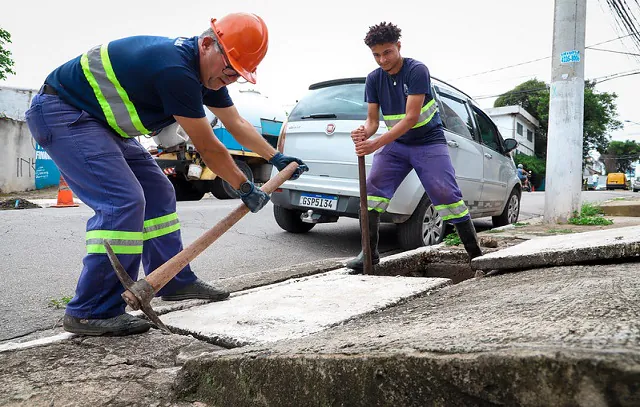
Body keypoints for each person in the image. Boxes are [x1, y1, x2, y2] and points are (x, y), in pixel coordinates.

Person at [25, 13, 308, 336]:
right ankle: (91, 310)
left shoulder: (209, 74)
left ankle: (172, 279)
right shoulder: (176, 70)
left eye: (238, 75)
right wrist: (243, 185)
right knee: (124, 201)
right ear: (206, 44)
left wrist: (277, 156)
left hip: (101, 124)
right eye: (230, 69)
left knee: (159, 192)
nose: (230, 79)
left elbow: (236, 123)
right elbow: (208, 146)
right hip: (63, 112)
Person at [346, 22, 482, 273]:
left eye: (387, 52)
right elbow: (373, 121)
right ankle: (369, 253)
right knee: (372, 194)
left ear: (398, 46)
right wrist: (363, 132)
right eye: (376, 55)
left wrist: (375, 143)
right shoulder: (374, 79)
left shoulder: (417, 70)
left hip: (428, 142)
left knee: (446, 196)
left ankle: (476, 256)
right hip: (397, 144)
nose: (382, 60)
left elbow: (410, 118)